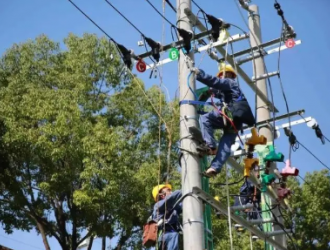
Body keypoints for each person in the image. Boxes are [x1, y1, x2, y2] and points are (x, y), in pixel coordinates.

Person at [191, 64, 255, 177]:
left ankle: (210, 146)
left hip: (229, 115)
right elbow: (215, 90)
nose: (222, 77)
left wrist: (200, 74)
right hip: (236, 121)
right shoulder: (228, 90)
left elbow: (216, 82)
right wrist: (206, 94)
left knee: (205, 118)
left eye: (223, 75)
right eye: (221, 75)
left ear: (230, 75)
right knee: (226, 144)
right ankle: (215, 167)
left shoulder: (230, 83)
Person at [152, 184, 182, 250]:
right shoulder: (158, 205)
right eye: (168, 190)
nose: (171, 191)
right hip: (165, 235)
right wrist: (186, 189)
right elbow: (172, 197)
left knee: (174, 235)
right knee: (174, 235)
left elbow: (182, 207)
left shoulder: (173, 207)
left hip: (171, 234)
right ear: (162, 195)